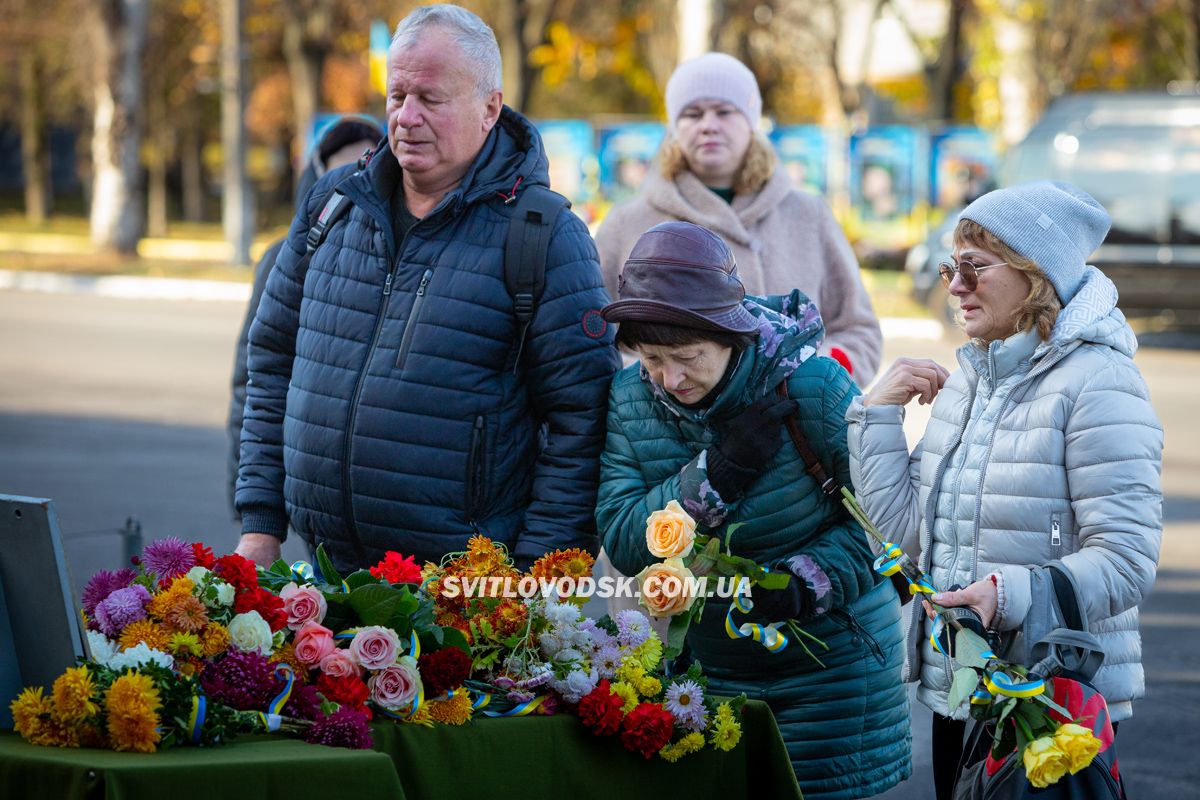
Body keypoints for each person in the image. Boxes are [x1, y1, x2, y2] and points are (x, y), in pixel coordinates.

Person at [234, 4, 620, 572]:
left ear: (490, 109)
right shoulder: (333, 204)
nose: (407, 118)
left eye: (431, 100)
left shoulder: (546, 237)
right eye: (396, 97)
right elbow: (271, 362)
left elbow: (581, 422)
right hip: (326, 577)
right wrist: (261, 524)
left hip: (465, 602)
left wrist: (540, 580)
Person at [845, 181, 1162, 800]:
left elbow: (1126, 559)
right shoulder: (971, 378)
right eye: (949, 267)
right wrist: (876, 416)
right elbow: (909, 538)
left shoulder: (1099, 381)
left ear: (1035, 275)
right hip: (957, 692)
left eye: (974, 267)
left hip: (1050, 700)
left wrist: (1007, 593)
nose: (955, 285)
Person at [596, 221, 910, 799]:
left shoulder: (813, 387)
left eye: (687, 358)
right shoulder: (630, 398)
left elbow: (887, 524)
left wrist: (806, 580)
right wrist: (716, 474)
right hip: (709, 676)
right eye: (653, 359)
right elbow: (621, 535)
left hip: (833, 673)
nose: (670, 378)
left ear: (729, 336)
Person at [594, 52, 881, 386]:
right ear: (674, 127)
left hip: (796, 427)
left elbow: (858, 329)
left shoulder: (808, 214)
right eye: (692, 113)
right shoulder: (627, 222)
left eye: (724, 111)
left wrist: (816, 376)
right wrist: (656, 383)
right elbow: (594, 337)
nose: (708, 125)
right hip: (668, 433)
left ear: (751, 122)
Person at [226, 114, 384, 517]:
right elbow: (255, 379)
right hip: (298, 495)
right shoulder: (285, 257)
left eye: (368, 165)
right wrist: (252, 497)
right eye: (342, 172)